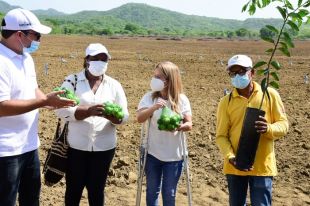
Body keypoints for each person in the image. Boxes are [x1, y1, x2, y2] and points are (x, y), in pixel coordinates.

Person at [0, 8, 76, 206]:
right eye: (36, 35)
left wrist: (51, 101)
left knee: (31, 199)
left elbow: (33, 89)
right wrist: (44, 101)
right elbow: (2, 107)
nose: (39, 40)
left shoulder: (26, 58)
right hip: (6, 150)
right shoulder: (1, 62)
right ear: (19, 34)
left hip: (30, 145)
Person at [55, 43, 129, 206]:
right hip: (76, 147)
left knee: (97, 190)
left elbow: (124, 116)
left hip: (104, 148)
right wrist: (87, 111)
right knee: (73, 189)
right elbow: (60, 110)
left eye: (104, 59)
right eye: (96, 58)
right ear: (87, 59)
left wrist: (113, 117)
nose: (100, 62)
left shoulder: (114, 85)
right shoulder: (72, 80)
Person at [216, 54, 289, 206]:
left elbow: (284, 124)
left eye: (241, 71)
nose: (237, 76)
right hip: (234, 166)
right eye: (233, 73)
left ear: (252, 72)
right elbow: (221, 136)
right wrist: (230, 156)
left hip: (262, 166)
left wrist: (268, 128)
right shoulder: (225, 102)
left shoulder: (269, 94)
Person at [136, 61, 192, 206]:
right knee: (152, 191)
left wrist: (179, 127)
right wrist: (153, 108)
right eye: (154, 75)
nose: (154, 79)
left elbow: (189, 124)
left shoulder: (182, 100)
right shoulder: (149, 97)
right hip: (152, 153)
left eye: (158, 77)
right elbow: (140, 118)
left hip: (174, 156)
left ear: (169, 80)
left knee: (169, 192)